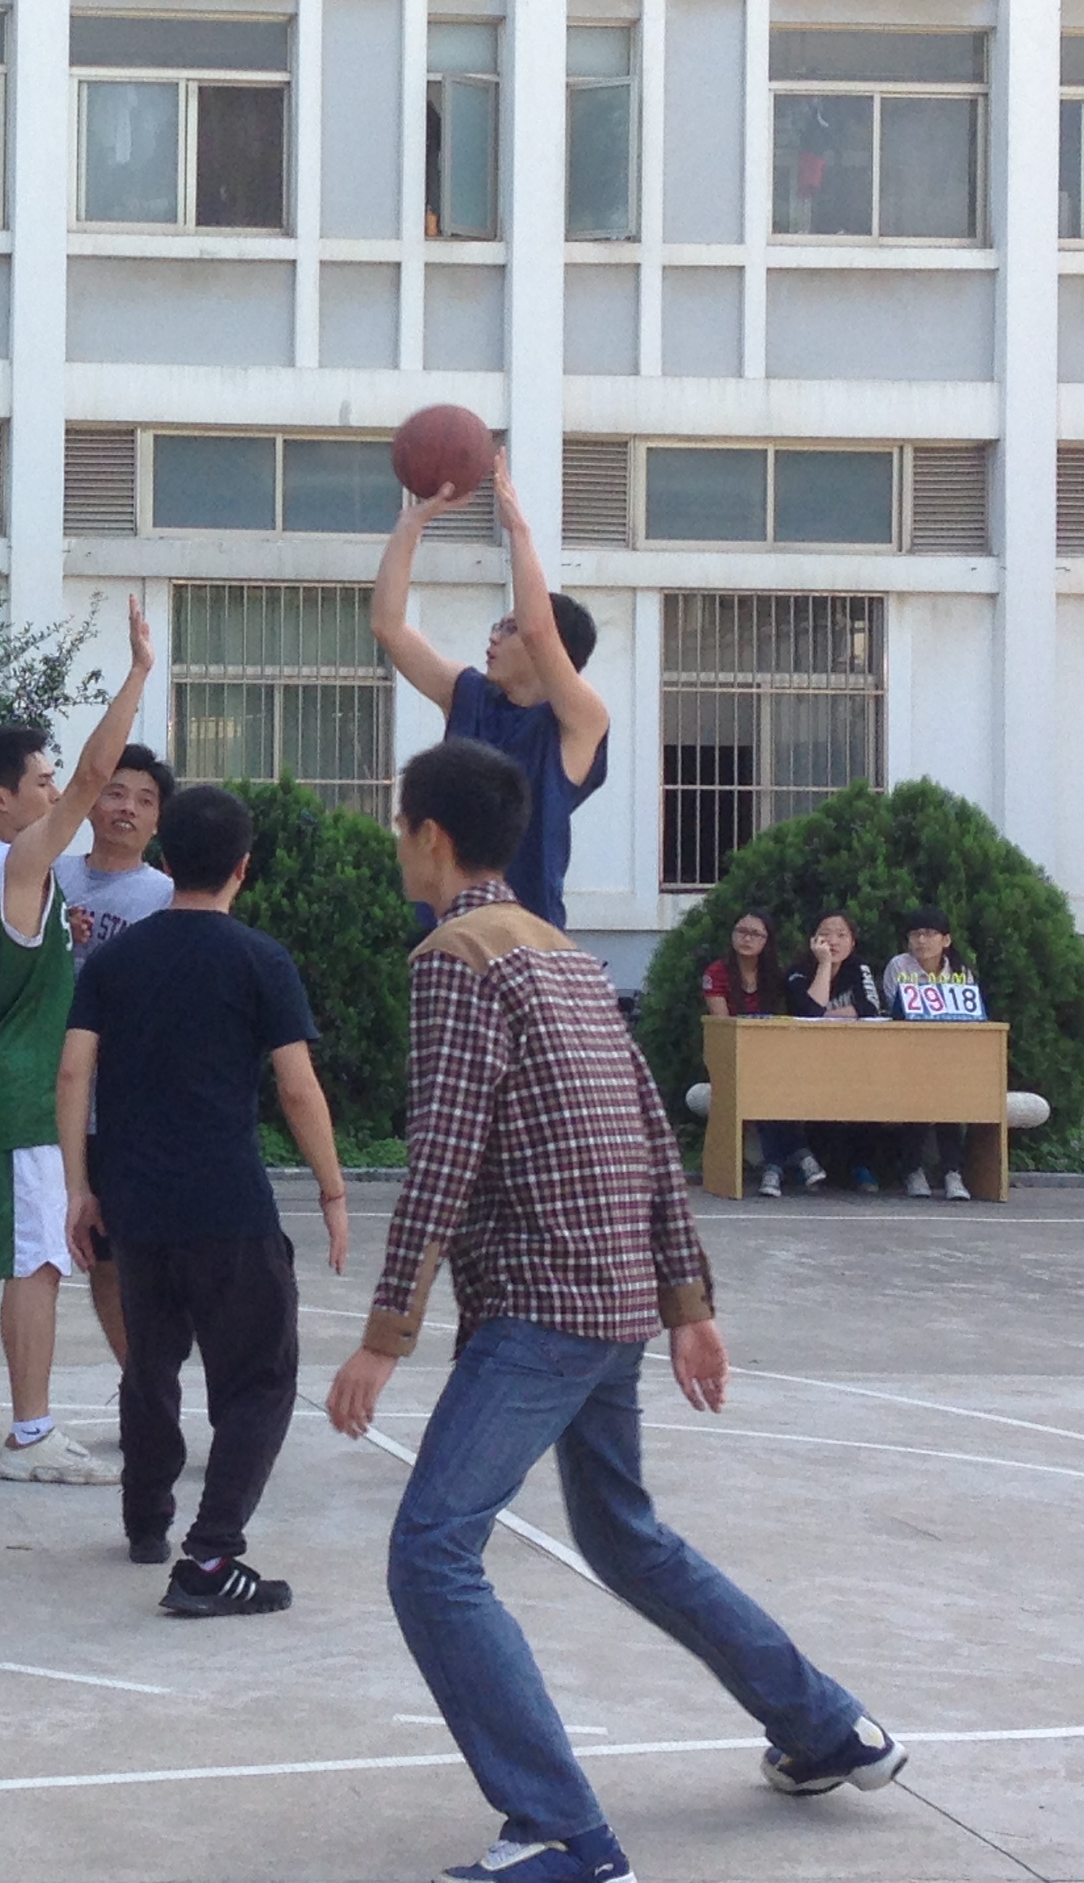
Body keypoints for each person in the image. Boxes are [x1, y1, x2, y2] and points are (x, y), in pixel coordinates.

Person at [326, 740, 905, 1883]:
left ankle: (562, 1831)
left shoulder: (454, 958)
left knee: (432, 1553)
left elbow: (444, 1153)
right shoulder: (564, 954)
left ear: (430, 837)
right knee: (624, 1538)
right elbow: (650, 1127)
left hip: (541, 1309)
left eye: (400, 829)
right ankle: (828, 1728)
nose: (399, 848)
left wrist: (384, 1336)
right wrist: (686, 1300)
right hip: (615, 1302)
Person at [57, 782, 349, 1614]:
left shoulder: (113, 961)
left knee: (149, 1367)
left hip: (135, 1202)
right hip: (227, 1203)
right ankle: (213, 1556)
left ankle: (146, 1520)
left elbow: (74, 1072)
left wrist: (80, 1188)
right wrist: (332, 1191)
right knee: (259, 1379)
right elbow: (297, 1087)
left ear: (165, 856)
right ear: (242, 869)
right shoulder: (260, 959)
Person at [0, 594, 153, 1482]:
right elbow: (96, 776)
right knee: (40, 1261)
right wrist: (137, 674)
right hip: (23, 1087)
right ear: (3, 798)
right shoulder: (22, 860)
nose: (59, 793)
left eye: (55, 781)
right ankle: (31, 1435)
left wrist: (35, 953)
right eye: (43, 782)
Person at [372, 459, 608, 928]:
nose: (494, 635)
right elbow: (388, 626)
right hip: (445, 929)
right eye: (497, 624)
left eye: (509, 627)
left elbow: (539, 630)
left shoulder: (580, 721)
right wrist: (409, 526)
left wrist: (518, 528)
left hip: (524, 933)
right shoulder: (468, 694)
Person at [55, 744, 176, 1386]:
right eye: (116, 792)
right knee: (92, 1260)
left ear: (158, 821)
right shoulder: (52, 877)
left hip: (130, 1107)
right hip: (57, 1100)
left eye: (145, 800)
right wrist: (56, 941)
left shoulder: (166, 896)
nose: (127, 808)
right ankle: (140, 1385)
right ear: (90, 802)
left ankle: (154, 1384)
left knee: (137, 1257)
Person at [702, 911, 819, 1199]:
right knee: (758, 1088)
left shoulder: (776, 975)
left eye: (755, 934)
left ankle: (775, 1167)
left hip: (772, 1060)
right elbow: (723, 1026)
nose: (747, 938)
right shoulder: (716, 973)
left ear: (767, 940)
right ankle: (797, 1155)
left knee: (771, 1086)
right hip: (731, 1059)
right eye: (741, 931)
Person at [782, 909, 889, 1193]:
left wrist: (827, 1014)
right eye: (825, 934)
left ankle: (861, 1166)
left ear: (852, 942)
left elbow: (870, 1007)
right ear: (813, 940)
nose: (833, 941)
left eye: (842, 935)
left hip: (854, 1055)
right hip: (805, 1056)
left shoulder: (859, 968)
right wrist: (825, 965)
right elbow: (809, 1011)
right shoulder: (797, 971)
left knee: (869, 1092)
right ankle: (809, 1162)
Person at [881, 908, 984, 1201]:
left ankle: (953, 1173)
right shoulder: (898, 966)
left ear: (946, 940)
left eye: (929, 934)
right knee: (920, 1096)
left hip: (949, 1056)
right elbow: (894, 1009)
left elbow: (969, 1015)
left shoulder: (960, 971)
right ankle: (913, 1170)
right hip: (906, 1054)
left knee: (947, 1099)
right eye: (915, 935)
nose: (921, 941)